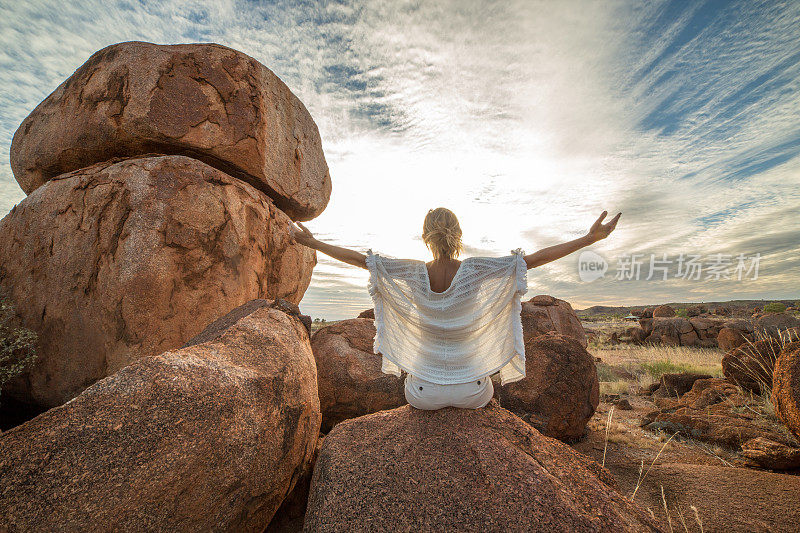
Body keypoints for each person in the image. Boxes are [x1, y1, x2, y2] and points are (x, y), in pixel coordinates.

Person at [289, 207, 620, 410]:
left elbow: (361, 260)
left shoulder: (412, 271)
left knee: (416, 386)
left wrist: (312, 242)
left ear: (425, 237)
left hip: (420, 394)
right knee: (484, 391)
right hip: (473, 392)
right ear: (458, 234)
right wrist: (589, 239)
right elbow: (533, 259)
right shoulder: (475, 270)